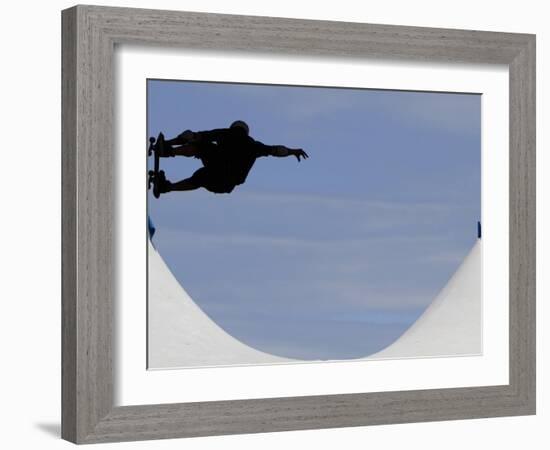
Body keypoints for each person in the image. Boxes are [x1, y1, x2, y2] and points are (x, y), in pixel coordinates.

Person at [153, 120, 308, 195]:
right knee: (199, 178)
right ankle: (168, 187)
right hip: (226, 184)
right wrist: (293, 151)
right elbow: (277, 150)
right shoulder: (254, 146)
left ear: (233, 128)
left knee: (201, 146)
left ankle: (168, 151)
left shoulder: (226, 133)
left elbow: (194, 136)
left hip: (217, 170)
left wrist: (169, 143)